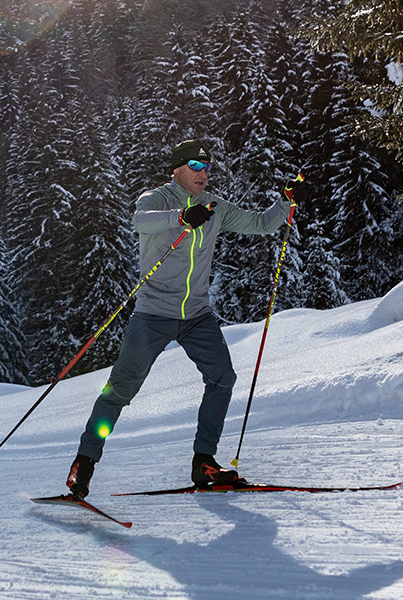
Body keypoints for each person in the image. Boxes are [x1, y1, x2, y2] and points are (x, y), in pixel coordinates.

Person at [65, 139, 293, 498]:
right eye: (195, 166)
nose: (203, 173)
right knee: (119, 391)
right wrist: (181, 217)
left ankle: (203, 462)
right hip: (153, 314)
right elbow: (140, 221)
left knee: (222, 378)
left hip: (197, 315)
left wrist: (286, 200)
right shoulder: (156, 199)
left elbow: (262, 225)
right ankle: (84, 464)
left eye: (207, 166)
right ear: (177, 169)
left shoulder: (215, 207)